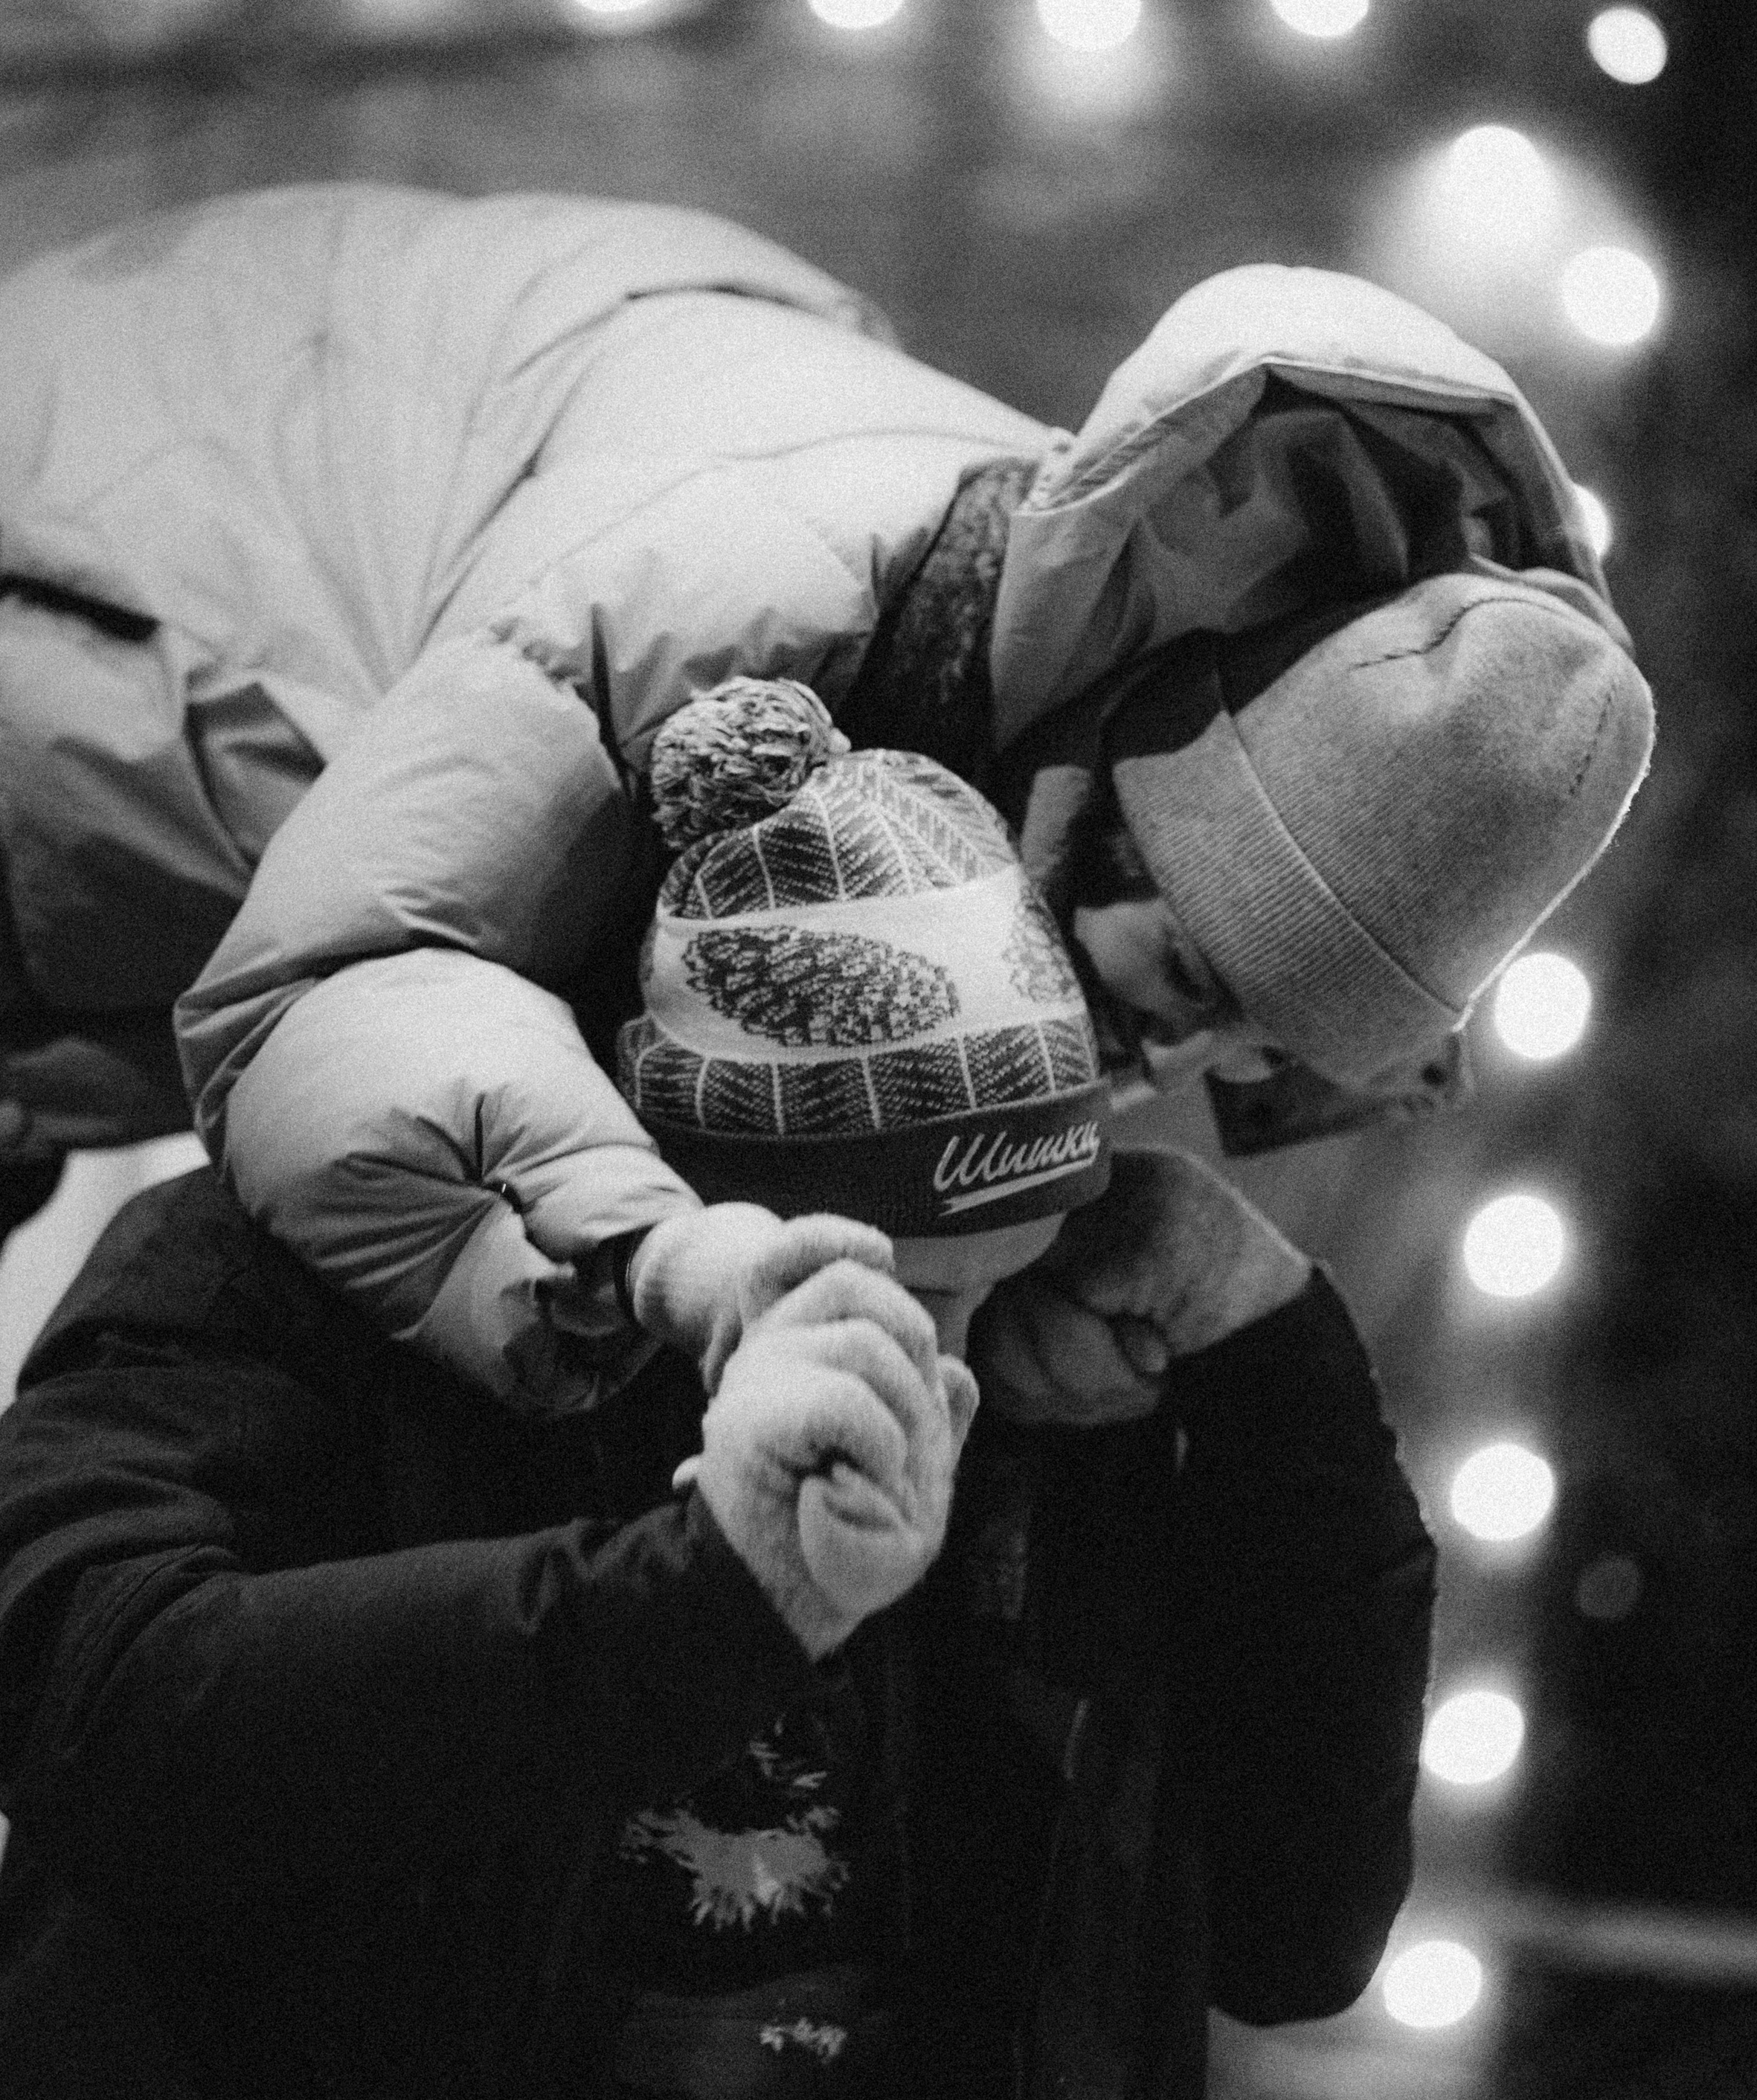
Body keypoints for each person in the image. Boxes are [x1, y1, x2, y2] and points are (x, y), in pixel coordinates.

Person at [0, 184, 1653, 1404]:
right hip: (88, 599)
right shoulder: (736, 576)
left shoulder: (982, 755)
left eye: (1247, 1055)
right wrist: (672, 1265)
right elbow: (333, 982)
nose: (1170, 1067)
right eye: (1191, 985)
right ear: (1131, 799)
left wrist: (969, 1283)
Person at [0, 721, 1435, 2100]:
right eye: (906, 1291)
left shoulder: (1050, 1402)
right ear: (700, 1202)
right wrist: (703, 1600)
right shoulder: (331, 1263)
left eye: (1001, 1284)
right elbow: (85, 1698)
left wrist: (1277, 1361)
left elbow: (1295, 1941)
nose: (949, 1371)